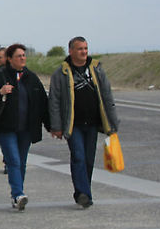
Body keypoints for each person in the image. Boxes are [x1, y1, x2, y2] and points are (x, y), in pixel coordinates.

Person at [48, 37, 120, 209]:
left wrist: (112, 122)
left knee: (88, 159)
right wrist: (56, 126)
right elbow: (54, 101)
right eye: (80, 49)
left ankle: (83, 191)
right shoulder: (62, 73)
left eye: (86, 48)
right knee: (78, 156)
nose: (84, 52)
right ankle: (83, 193)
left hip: (93, 123)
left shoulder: (96, 69)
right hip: (73, 124)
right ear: (71, 51)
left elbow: (107, 95)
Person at [0, 43, 49, 211]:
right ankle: (18, 194)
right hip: (6, 127)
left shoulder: (31, 77)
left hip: (26, 128)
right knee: (13, 160)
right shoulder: (0, 76)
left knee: (22, 162)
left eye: (24, 55)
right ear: (10, 59)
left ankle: (16, 194)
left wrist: (51, 125)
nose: (22, 58)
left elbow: (43, 103)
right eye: (19, 56)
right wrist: (0, 92)